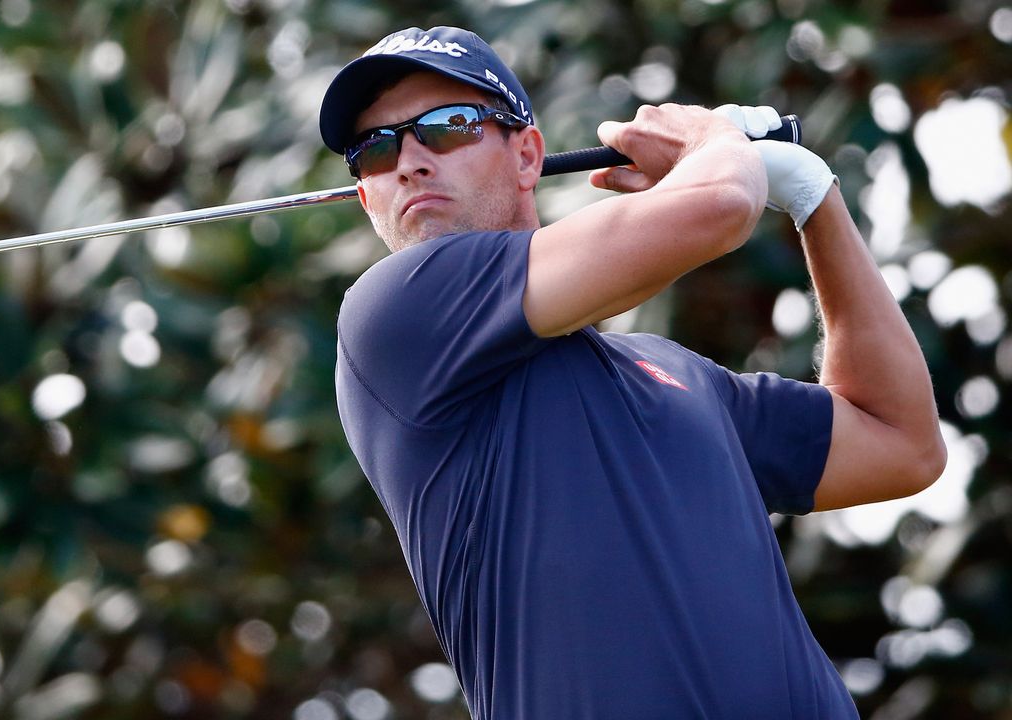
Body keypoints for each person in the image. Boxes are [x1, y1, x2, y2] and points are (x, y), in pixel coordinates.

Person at [319, 25, 946, 719]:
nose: (407, 161)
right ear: (366, 195)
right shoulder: (392, 316)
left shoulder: (675, 372)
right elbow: (716, 207)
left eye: (446, 127)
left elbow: (901, 443)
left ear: (528, 156)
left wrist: (814, 199)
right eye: (373, 149)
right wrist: (715, 146)